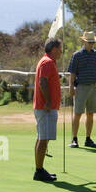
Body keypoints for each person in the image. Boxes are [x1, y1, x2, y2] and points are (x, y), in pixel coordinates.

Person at [67, 29, 96, 149]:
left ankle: (88, 139)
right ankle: (74, 139)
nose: (91, 44)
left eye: (92, 42)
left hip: (92, 87)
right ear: (84, 42)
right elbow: (72, 73)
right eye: (89, 42)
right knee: (78, 113)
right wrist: (71, 87)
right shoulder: (77, 55)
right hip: (81, 87)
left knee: (90, 114)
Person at [32, 39, 62, 182]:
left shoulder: (48, 62)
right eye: (60, 48)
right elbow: (42, 81)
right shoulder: (47, 62)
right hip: (45, 108)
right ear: (54, 49)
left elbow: (47, 80)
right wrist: (49, 101)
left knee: (42, 138)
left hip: (45, 108)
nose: (61, 51)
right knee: (43, 139)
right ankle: (39, 171)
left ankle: (40, 169)